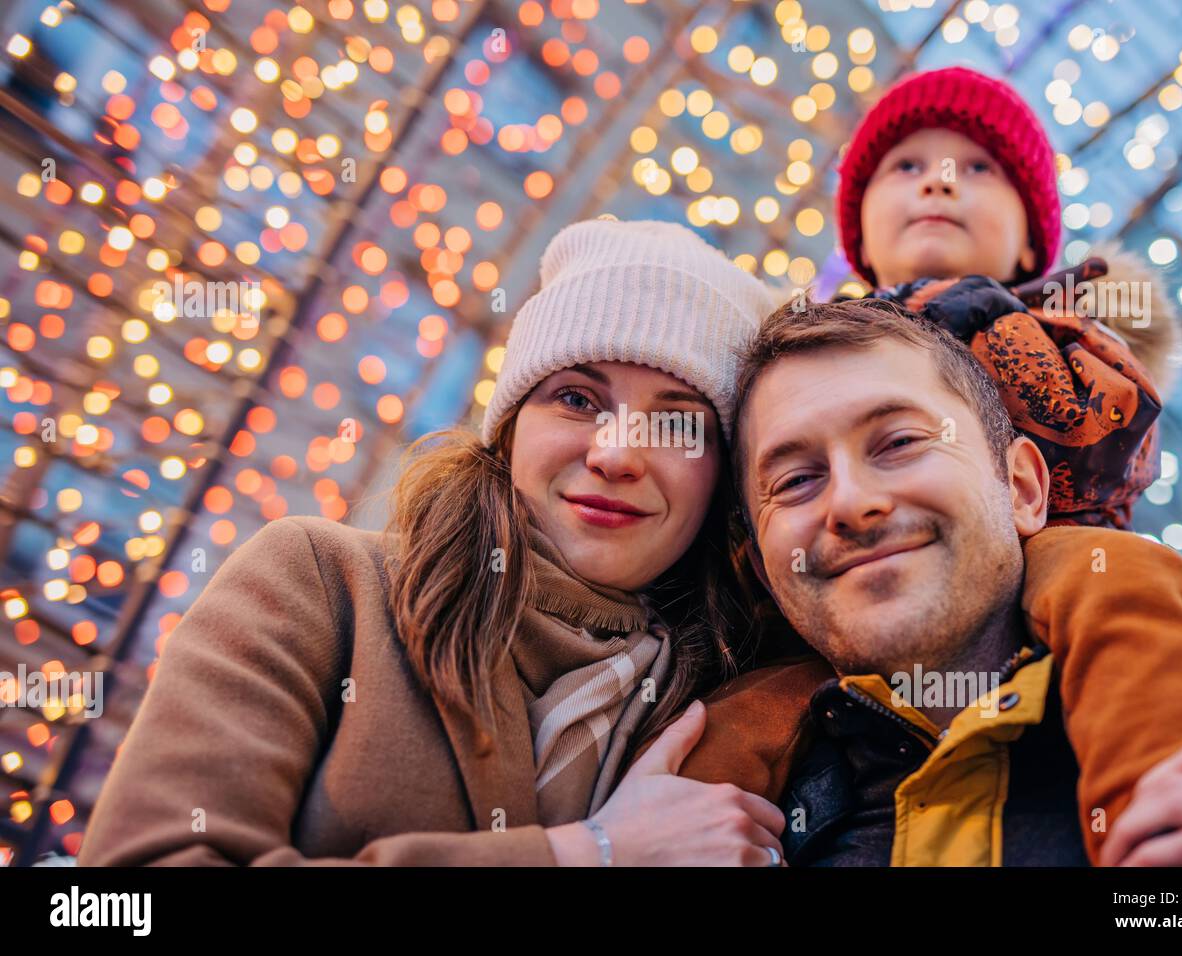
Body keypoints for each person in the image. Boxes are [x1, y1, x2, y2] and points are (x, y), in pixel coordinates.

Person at [76, 218, 792, 867]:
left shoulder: (730, 697)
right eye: (577, 399)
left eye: (677, 424)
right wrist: (589, 853)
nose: (616, 454)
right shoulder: (322, 585)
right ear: (511, 426)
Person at [641, 298, 1182, 866]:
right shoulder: (706, 824)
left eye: (898, 442)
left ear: (1021, 488)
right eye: (795, 481)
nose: (848, 502)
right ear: (765, 570)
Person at [830, 65, 1182, 862]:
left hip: (1042, 551)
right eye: (906, 166)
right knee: (750, 704)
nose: (939, 184)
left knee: (1126, 588)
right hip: (866, 560)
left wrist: (968, 320)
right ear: (860, 231)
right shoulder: (815, 344)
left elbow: (1103, 435)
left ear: (1028, 235)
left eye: (977, 168)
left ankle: (1164, 809)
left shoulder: (1069, 328)